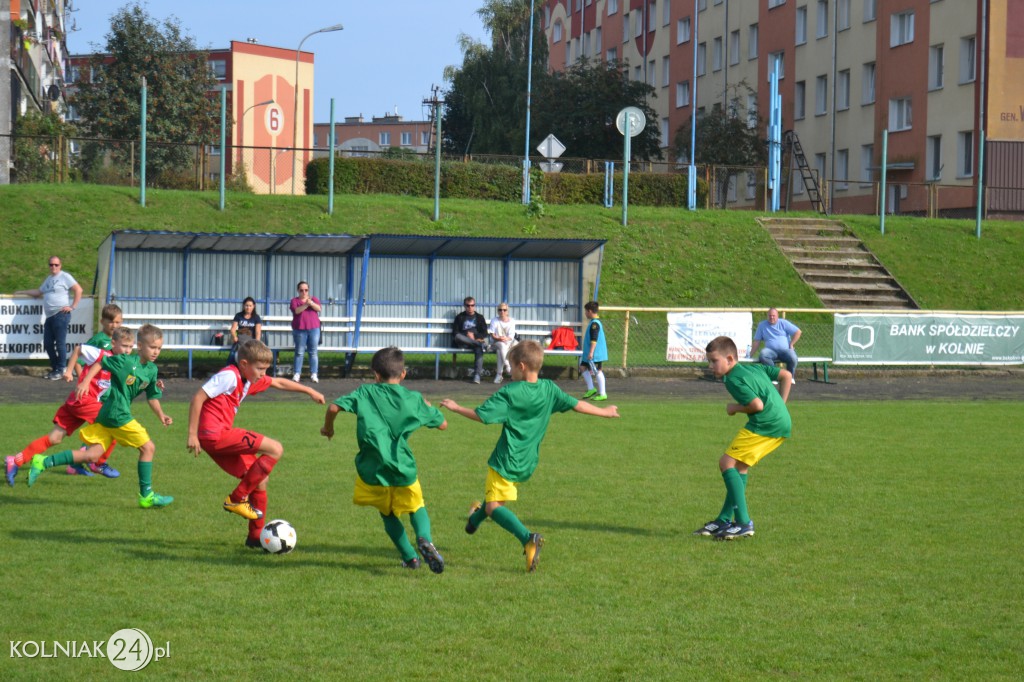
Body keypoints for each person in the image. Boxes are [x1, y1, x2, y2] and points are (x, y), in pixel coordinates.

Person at [440, 340, 619, 572]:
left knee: (494, 506)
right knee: (492, 499)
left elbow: (482, 416)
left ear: (522, 366)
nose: (510, 372)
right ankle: (473, 522)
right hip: (527, 462)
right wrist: (605, 412)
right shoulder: (549, 389)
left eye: (511, 367)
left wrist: (455, 408)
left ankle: (528, 538)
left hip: (505, 460)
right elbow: (578, 406)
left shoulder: (511, 392)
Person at [187, 339, 325, 549]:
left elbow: (278, 382)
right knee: (275, 448)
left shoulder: (247, 379)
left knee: (260, 479)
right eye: (260, 368)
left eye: (265, 369)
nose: (263, 373)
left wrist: (310, 391)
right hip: (215, 435)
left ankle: (255, 537)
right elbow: (198, 397)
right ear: (244, 364)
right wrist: (192, 434)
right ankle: (236, 498)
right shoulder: (229, 375)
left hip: (215, 439)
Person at [321, 347, 448, 573]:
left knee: (387, 514)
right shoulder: (413, 398)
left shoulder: (365, 392)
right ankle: (424, 539)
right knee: (417, 506)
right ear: (403, 374)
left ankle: (410, 558)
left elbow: (333, 407)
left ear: (375, 375)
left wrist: (328, 428)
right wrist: (427, 406)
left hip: (372, 470)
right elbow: (442, 424)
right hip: (403, 467)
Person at [26, 324, 175, 509]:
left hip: (107, 415)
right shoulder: (125, 361)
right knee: (148, 448)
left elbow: (152, 396)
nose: (156, 352)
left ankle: (43, 461)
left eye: (159, 348)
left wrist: (161, 415)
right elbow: (101, 362)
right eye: (152, 347)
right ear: (139, 346)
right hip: (116, 414)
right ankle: (147, 496)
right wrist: (85, 382)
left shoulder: (151, 370)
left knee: (91, 455)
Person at [6, 325, 132, 486]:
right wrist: (68, 370)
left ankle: (16, 460)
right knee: (114, 424)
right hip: (84, 400)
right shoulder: (102, 353)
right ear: (113, 343)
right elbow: (78, 349)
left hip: (76, 402)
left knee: (54, 438)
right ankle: (97, 463)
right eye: (124, 346)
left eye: (130, 347)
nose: (128, 350)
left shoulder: (123, 362)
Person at [695, 336, 792, 541]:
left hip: (765, 424)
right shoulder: (755, 368)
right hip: (780, 422)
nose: (710, 365)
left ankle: (743, 522)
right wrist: (782, 405)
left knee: (726, 463)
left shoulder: (732, 379)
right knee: (740, 467)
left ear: (730, 359)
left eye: (714, 361)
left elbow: (757, 405)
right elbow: (785, 374)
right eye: (709, 361)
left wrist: (734, 408)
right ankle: (723, 519)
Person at [15, 256, 83, 380]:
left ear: (60, 265)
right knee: (47, 343)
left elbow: (78, 289)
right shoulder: (49, 279)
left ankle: (61, 369)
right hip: (50, 316)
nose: (53, 267)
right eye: (51, 265)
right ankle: (55, 368)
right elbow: (38, 292)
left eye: (56, 265)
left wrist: (72, 306)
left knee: (60, 343)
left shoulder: (65, 276)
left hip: (61, 314)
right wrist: (21, 292)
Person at [750, 307, 802, 383]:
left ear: (777, 316)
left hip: (785, 351)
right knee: (763, 354)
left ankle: (790, 377)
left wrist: (791, 344)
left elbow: (798, 332)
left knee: (793, 356)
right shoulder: (762, 325)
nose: (771, 317)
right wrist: (750, 354)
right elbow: (757, 341)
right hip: (771, 351)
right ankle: (774, 376)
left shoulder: (783, 323)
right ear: (767, 316)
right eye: (770, 315)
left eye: (773, 315)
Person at [290, 281, 321, 383]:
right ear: (298, 291)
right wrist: (305, 305)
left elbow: (319, 309)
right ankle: (297, 373)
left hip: (314, 329)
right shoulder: (294, 301)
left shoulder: (314, 299)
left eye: (306, 290)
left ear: (308, 290)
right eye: (301, 290)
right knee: (299, 352)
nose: (304, 292)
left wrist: (311, 303)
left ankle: (314, 374)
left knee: (313, 352)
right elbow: (297, 311)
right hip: (299, 330)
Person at [453, 296, 489, 384]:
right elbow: (455, 332)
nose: (470, 307)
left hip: (475, 341)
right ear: (464, 306)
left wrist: (474, 336)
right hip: (463, 341)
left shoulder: (480, 317)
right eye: (468, 305)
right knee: (458, 336)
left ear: (474, 305)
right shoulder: (459, 317)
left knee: (478, 349)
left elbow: (485, 333)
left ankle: (477, 376)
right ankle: (479, 344)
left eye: (472, 305)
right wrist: (467, 336)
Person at [580, 301, 609, 401]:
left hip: (595, 354)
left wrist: (591, 352)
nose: (585, 313)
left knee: (597, 371)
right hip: (590, 353)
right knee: (583, 367)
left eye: (586, 311)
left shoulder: (595, 325)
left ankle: (602, 393)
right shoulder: (593, 323)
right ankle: (591, 389)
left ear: (590, 311)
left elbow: (594, 339)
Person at [488, 302, 517, 385]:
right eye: (500, 310)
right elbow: (492, 334)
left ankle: (499, 374)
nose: (502, 312)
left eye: (504, 310)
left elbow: (511, 336)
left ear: (507, 311)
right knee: (501, 345)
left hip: (508, 343)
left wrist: (505, 338)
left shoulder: (512, 321)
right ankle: (508, 366)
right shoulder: (494, 320)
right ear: (498, 311)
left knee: (500, 351)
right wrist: (499, 338)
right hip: (496, 343)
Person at [228, 297, 263, 365]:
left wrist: (257, 343)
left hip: (251, 341)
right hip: (239, 340)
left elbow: (258, 332)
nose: (248, 307)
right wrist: (234, 337)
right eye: (246, 305)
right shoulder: (238, 315)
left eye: (250, 306)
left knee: (254, 357)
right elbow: (233, 329)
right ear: (244, 306)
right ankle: (230, 369)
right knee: (232, 355)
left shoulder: (256, 317)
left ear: (253, 306)